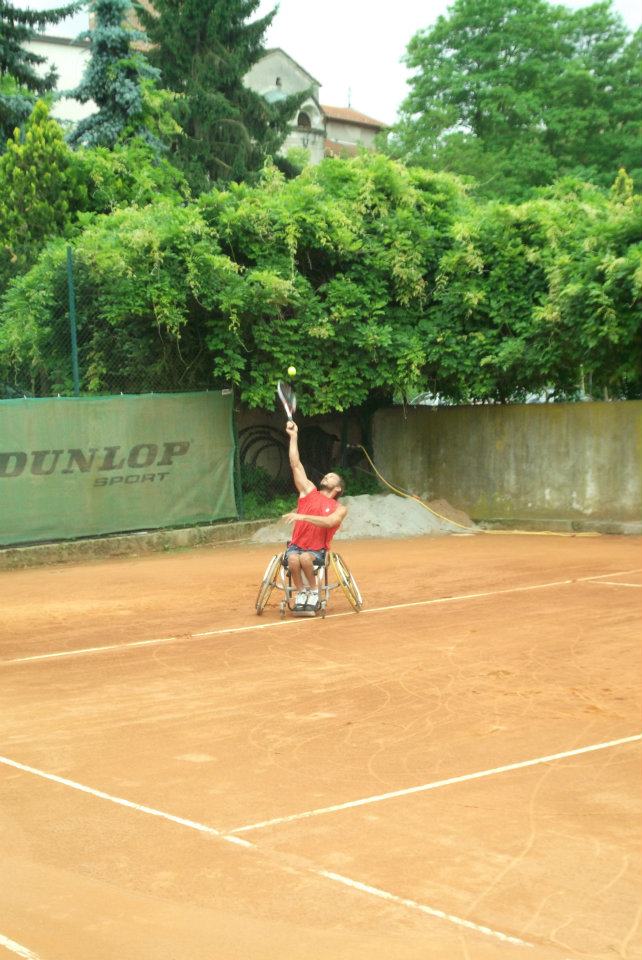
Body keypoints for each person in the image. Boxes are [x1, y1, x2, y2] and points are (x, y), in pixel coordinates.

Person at [282, 421, 348, 611]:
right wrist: (293, 437)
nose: (327, 476)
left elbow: (330, 522)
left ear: (338, 488)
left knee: (304, 558)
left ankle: (313, 591)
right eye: (327, 474)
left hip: (317, 549)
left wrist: (302, 517)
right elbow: (295, 465)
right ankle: (301, 592)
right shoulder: (309, 491)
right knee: (293, 559)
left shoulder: (339, 508)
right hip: (296, 545)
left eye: (332, 476)